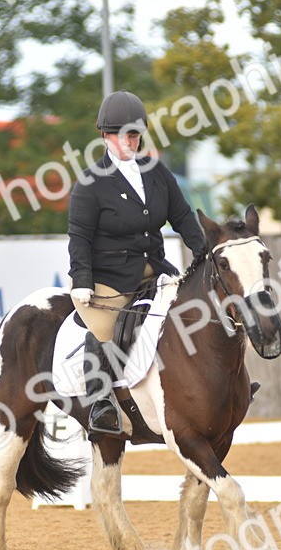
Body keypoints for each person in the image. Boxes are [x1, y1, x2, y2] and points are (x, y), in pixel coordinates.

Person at [67, 90, 209, 435]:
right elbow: (80, 238)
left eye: (133, 134)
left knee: (199, 310)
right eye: (121, 135)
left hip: (157, 270)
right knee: (104, 330)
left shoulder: (157, 173)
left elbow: (183, 218)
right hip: (110, 277)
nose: (128, 141)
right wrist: (82, 279)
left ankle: (217, 389)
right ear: (105, 136)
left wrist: (206, 253)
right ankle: (100, 402)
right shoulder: (90, 184)